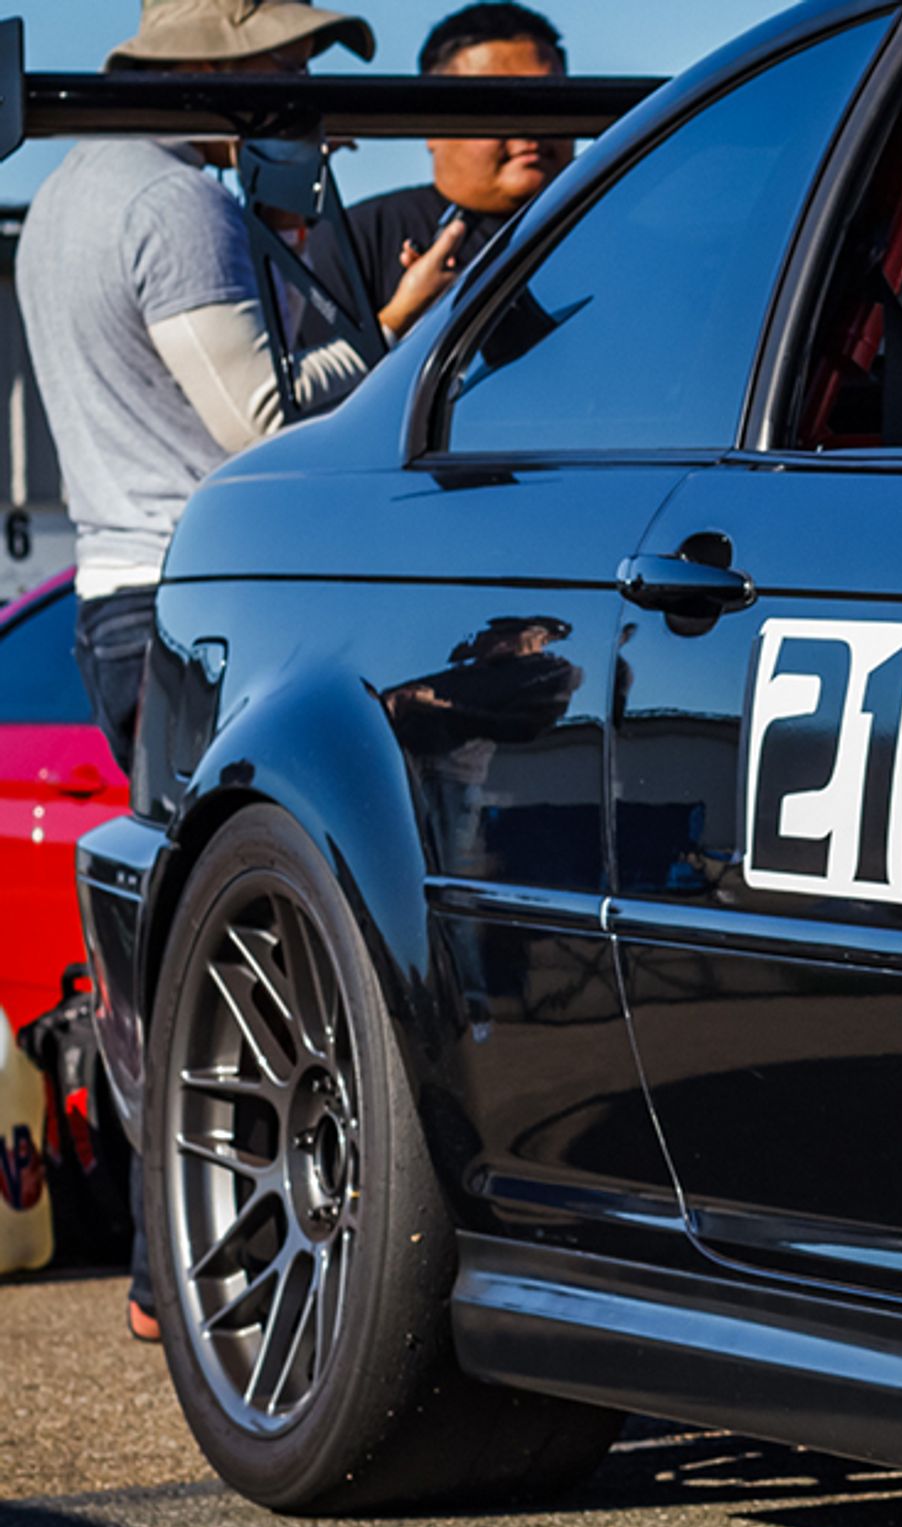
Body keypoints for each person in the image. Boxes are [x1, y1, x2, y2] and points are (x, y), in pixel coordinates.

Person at [16, 0, 458, 1338]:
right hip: (196, 595)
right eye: (290, 65)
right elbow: (258, 426)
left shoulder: (71, 193)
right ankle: (192, 1276)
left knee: (199, 940)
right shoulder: (175, 205)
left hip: (115, 589)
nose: (305, 94)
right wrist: (400, 328)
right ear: (223, 70)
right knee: (250, 947)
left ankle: (179, 1275)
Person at [325, 5, 571, 328]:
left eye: (550, 101)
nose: (529, 129)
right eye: (497, 107)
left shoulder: (619, 226)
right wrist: (402, 321)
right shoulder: (356, 241)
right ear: (431, 124)